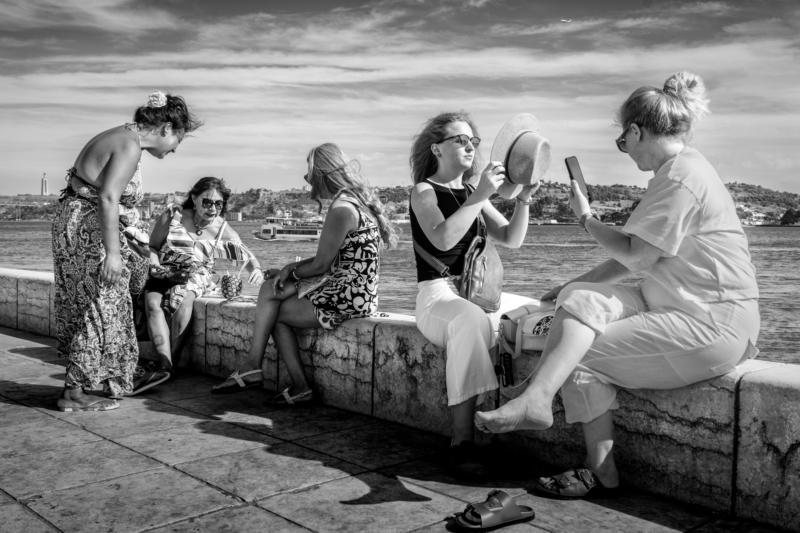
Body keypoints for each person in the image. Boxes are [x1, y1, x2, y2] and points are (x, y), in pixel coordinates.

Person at [475, 72, 760, 499]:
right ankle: (545, 408)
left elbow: (637, 256)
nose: (625, 152)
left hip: (709, 323)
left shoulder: (680, 178)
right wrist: (573, 283)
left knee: (577, 354)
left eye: (623, 143)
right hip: (683, 306)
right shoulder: (683, 170)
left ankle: (557, 421)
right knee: (578, 301)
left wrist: (587, 218)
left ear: (636, 130)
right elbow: (638, 257)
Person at [409, 111, 542, 479]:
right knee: (468, 320)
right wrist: (483, 193)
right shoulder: (424, 191)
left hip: (476, 296)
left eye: (473, 140)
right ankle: (462, 442)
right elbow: (442, 238)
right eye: (460, 139)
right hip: (438, 296)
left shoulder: (471, 193)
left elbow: (512, 239)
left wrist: (523, 201)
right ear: (437, 148)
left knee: (541, 311)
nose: (470, 146)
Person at [210, 143, 396, 403]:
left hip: (348, 297)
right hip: (355, 292)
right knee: (271, 292)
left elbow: (321, 266)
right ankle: (272, 375)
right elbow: (331, 259)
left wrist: (291, 274)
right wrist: (289, 269)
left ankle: (263, 370)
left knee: (272, 308)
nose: (305, 178)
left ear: (321, 173)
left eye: (308, 171)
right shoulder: (354, 202)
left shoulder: (342, 208)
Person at [53, 91, 201, 411]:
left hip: (76, 222)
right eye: (178, 139)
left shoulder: (122, 136)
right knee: (101, 306)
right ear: (165, 128)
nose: (175, 148)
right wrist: (114, 254)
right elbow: (108, 197)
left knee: (97, 305)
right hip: (88, 228)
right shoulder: (130, 145)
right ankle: (73, 393)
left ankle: (90, 382)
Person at [141, 177, 263, 393]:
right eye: (207, 202)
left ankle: (169, 363)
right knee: (152, 302)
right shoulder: (174, 214)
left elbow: (245, 255)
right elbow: (153, 246)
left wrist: (256, 270)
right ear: (195, 198)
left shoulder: (222, 228)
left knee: (184, 297)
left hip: (196, 274)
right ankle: (164, 362)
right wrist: (153, 263)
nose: (213, 208)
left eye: (218, 203)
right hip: (165, 269)